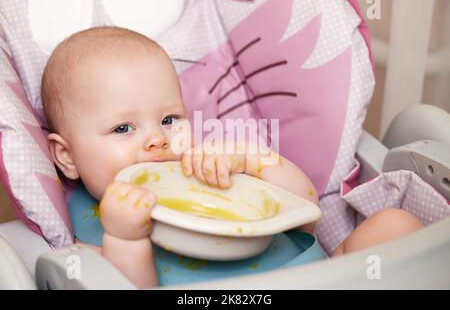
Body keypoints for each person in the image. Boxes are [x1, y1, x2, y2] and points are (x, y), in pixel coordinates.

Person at [41, 26, 422, 289]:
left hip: (325, 279)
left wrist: (249, 160)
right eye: (123, 128)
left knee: (394, 225)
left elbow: (307, 212)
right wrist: (125, 238)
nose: (157, 139)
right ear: (66, 156)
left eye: (169, 119)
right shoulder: (96, 224)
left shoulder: (206, 167)